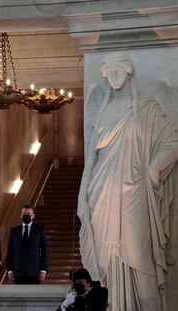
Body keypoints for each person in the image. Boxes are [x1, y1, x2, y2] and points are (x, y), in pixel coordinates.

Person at [78, 52, 178, 310]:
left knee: (140, 260)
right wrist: (81, 197)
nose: (113, 75)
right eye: (109, 70)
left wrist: (155, 168)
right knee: (105, 268)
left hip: (136, 195)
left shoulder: (147, 108)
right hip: (101, 194)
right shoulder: (101, 112)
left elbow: (172, 142)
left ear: (128, 72)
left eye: (118, 70)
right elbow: (90, 161)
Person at [7, 204, 49, 284]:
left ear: (33, 215)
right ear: (20, 215)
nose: (26, 215)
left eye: (29, 214)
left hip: (34, 271)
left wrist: (44, 270)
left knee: (34, 296)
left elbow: (45, 251)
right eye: (24, 214)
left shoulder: (39, 230)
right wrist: (9, 270)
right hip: (18, 271)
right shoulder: (14, 231)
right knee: (18, 296)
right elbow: (10, 252)